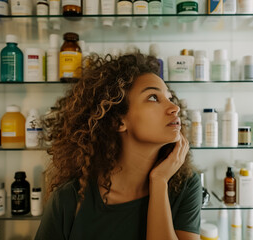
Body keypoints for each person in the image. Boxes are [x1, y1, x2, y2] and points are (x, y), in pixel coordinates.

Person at [35, 52, 202, 240]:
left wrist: (159, 181)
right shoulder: (68, 200)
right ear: (117, 121)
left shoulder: (185, 185)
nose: (174, 107)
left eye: (169, 97)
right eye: (154, 97)